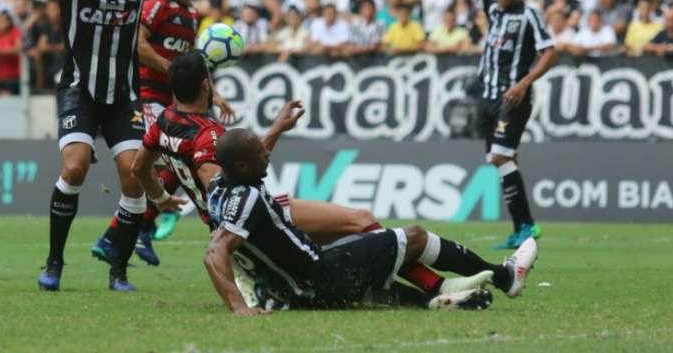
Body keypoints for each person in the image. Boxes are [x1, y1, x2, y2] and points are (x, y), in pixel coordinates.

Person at [132, 52, 491, 303]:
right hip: (255, 217)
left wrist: (161, 198)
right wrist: (274, 132)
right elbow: (227, 187)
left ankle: (428, 289)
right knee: (361, 222)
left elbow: (138, 168)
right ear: (206, 84)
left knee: (347, 236)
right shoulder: (207, 135)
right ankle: (436, 286)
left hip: (234, 221)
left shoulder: (163, 121)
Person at [12, 0, 216, 292]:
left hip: (123, 97)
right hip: (79, 91)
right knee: (73, 167)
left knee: (133, 176)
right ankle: (54, 262)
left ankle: (118, 269)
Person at [204, 127, 538, 314]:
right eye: (259, 153)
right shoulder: (246, 199)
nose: (266, 153)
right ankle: (504, 275)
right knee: (414, 236)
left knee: (363, 261)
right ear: (244, 167)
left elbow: (233, 239)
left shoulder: (219, 187)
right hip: (320, 277)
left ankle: (433, 299)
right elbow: (214, 253)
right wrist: (239, 308)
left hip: (292, 294)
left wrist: (276, 127)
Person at [111, 0, 235, 260]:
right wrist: (169, 68)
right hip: (148, 94)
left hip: (173, 100)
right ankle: (130, 231)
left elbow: (192, 62)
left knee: (178, 159)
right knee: (168, 158)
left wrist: (215, 94)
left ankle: (139, 229)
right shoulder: (158, 4)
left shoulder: (192, 14)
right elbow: (137, 45)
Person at [463, 0, 557, 249]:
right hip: (488, 96)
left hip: (512, 96)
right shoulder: (492, 9)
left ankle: (527, 226)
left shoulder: (528, 14)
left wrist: (524, 83)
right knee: (504, 159)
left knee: (500, 158)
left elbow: (550, 51)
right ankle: (522, 228)